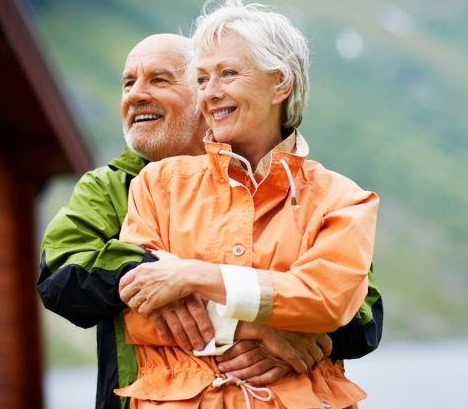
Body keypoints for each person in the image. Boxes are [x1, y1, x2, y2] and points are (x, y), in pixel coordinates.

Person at [37, 32, 383, 408]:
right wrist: (255, 325)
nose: (136, 94)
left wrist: (307, 336)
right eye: (128, 83)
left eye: (160, 79)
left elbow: (361, 315)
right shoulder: (111, 187)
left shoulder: (310, 191)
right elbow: (60, 277)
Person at [114, 0, 379, 408]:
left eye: (228, 73)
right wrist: (265, 330)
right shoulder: (156, 185)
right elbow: (140, 310)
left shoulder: (344, 200)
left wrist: (193, 276)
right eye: (201, 79)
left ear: (280, 83)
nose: (210, 93)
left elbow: (326, 300)